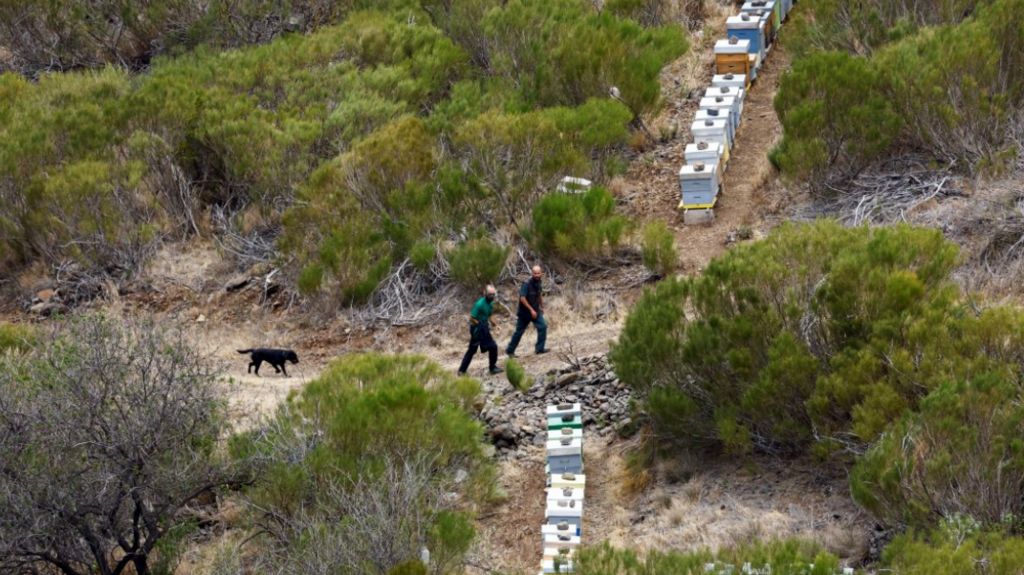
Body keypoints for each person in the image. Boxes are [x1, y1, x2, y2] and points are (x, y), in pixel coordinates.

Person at [457, 284, 503, 376]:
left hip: (484, 328)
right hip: (477, 330)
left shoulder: (490, 303)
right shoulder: (479, 304)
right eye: (490, 294)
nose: (492, 296)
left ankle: (462, 371)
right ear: (485, 293)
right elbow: (471, 317)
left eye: (493, 294)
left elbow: (489, 315)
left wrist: (495, 325)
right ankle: (491, 368)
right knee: (484, 348)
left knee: (488, 347)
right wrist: (479, 324)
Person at [506, 265, 548, 357]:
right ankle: (510, 351)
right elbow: (522, 299)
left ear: (541, 273)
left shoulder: (539, 282)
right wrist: (531, 310)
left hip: (536, 311)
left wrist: (541, 306)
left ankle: (539, 349)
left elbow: (539, 294)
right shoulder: (526, 284)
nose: (537, 275)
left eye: (538, 273)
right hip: (524, 313)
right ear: (532, 273)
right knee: (519, 332)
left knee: (543, 327)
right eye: (535, 273)